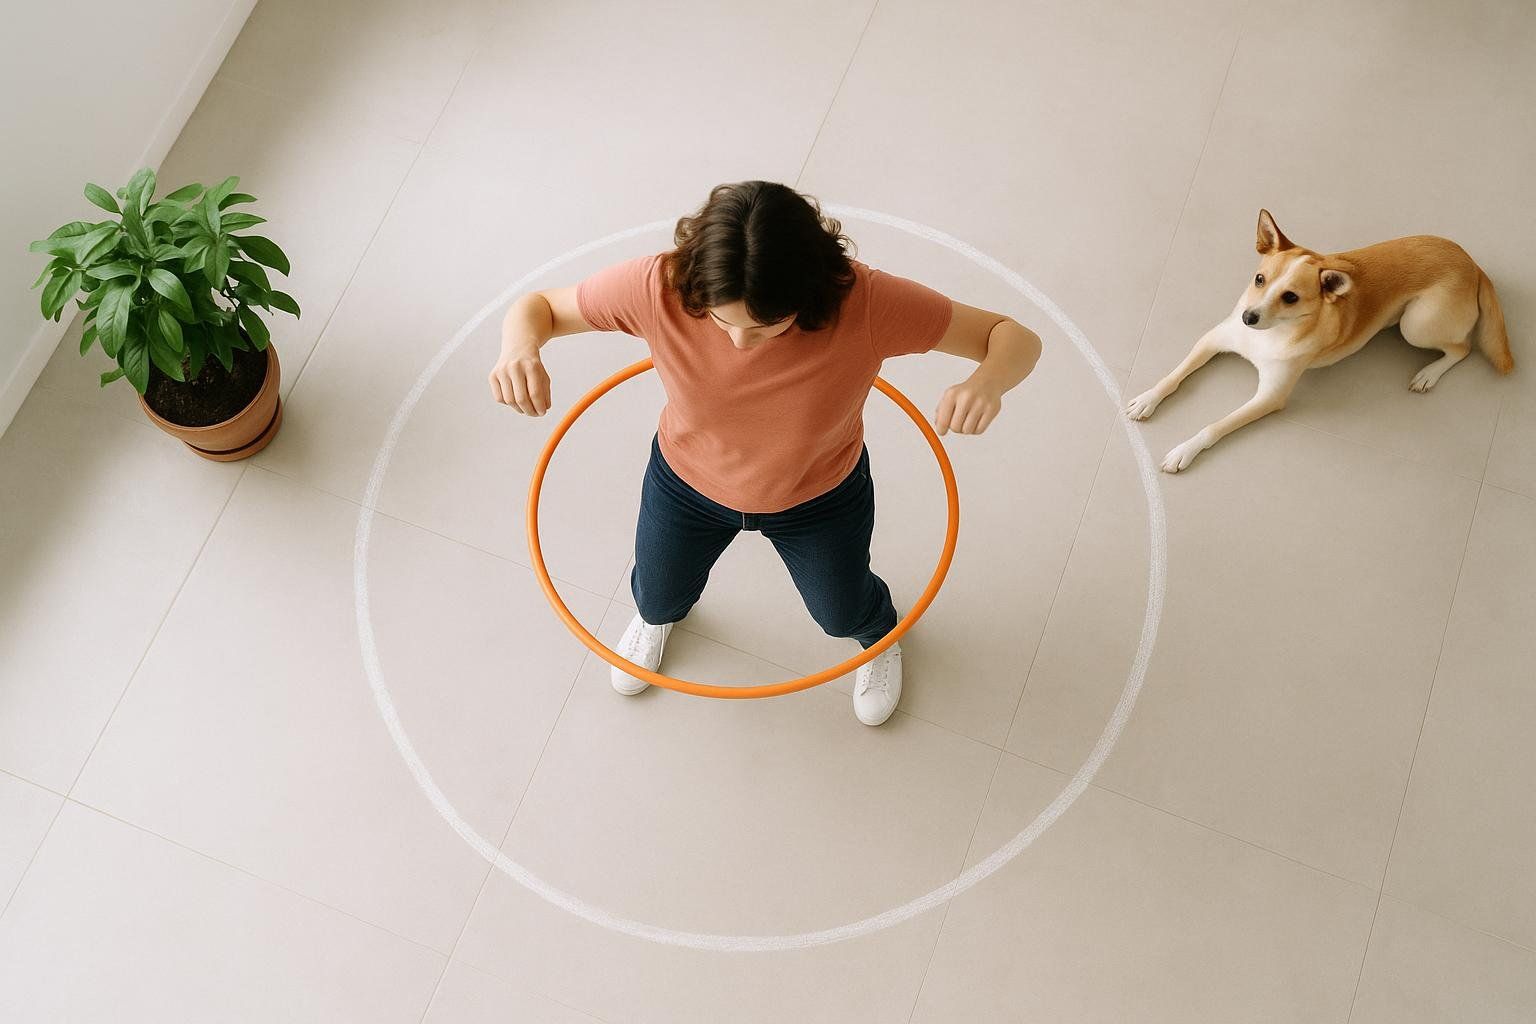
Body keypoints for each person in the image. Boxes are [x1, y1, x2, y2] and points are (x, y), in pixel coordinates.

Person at [489, 181, 1041, 726]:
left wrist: (987, 382)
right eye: (721, 319)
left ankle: (877, 638)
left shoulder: (867, 302)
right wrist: (519, 348)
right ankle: (658, 619)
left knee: (842, 612)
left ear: (809, 293)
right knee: (655, 596)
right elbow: (539, 307)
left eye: (766, 326)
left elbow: (1010, 336)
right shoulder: (656, 287)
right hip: (687, 483)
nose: (738, 344)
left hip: (820, 494)